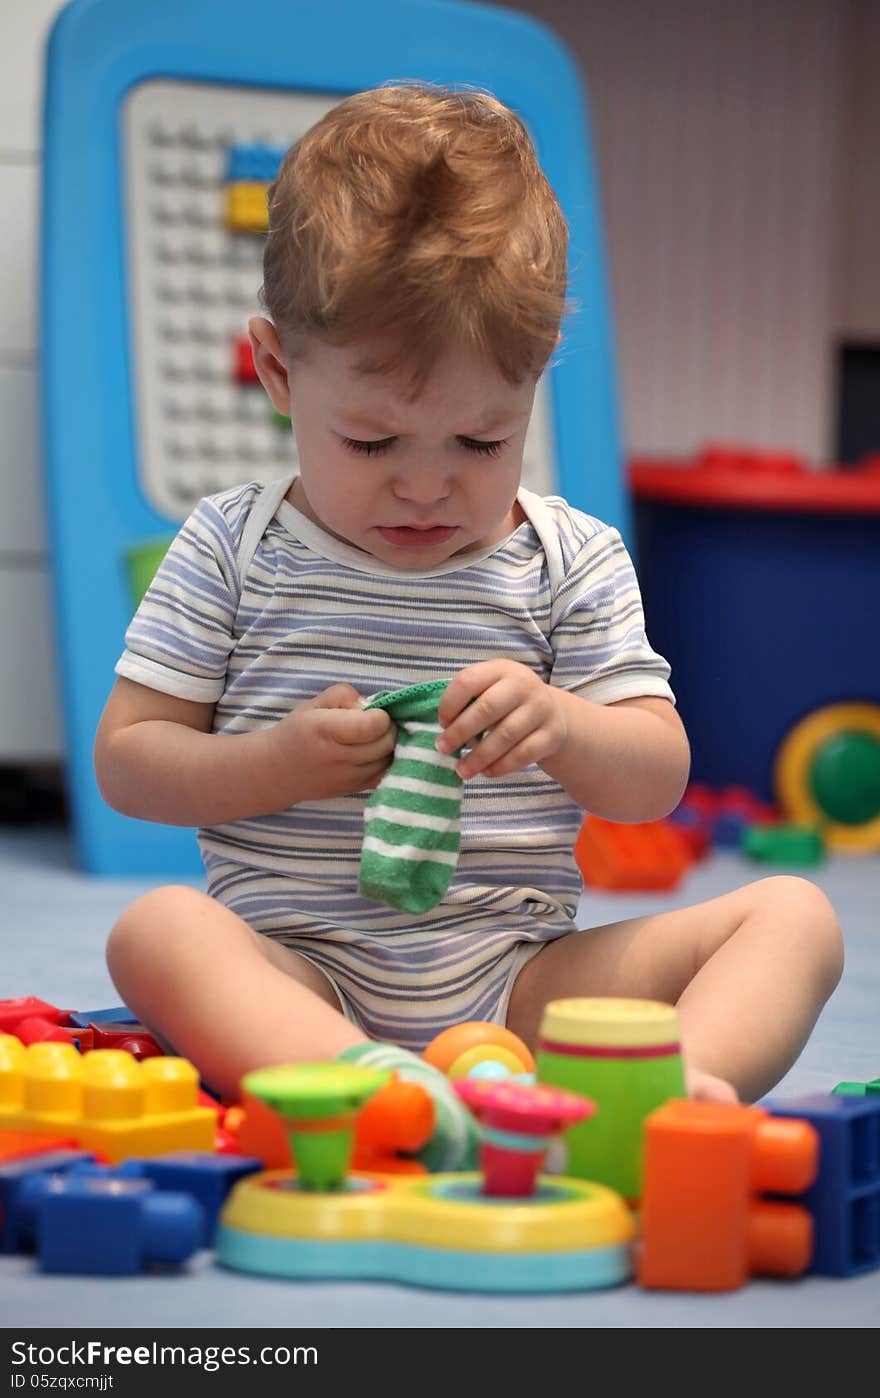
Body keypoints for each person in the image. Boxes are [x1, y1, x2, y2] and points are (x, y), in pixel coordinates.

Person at [94, 81, 843, 1170]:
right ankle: (366, 1087)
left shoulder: (567, 559)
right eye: (370, 443)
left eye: (481, 444)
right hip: (302, 971)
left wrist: (565, 728)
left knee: (792, 917)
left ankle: (661, 1104)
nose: (425, 489)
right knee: (154, 934)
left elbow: (655, 777)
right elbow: (129, 761)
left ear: (531, 390)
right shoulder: (232, 548)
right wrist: (275, 765)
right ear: (276, 373)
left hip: (523, 981)